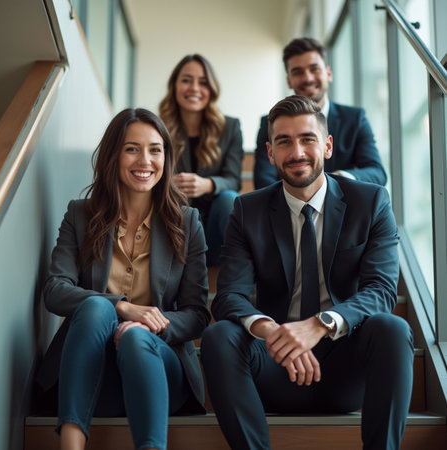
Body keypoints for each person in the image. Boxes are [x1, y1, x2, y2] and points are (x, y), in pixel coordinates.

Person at [201, 95, 414, 450]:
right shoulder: (247, 210)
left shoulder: (371, 201)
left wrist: (318, 325)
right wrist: (274, 333)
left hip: (347, 369)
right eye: (284, 141)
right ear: (269, 154)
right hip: (276, 367)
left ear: (327, 146)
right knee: (219, 335)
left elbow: (381, 290)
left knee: (393, 327)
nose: (296, 151)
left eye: (307, 139)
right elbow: (229, 297)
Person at [35, 108, 211, 450]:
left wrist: (150, 326)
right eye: (132, 148)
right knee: (97, 308)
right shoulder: (80, 215)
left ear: (166, 157)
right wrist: (125, 308)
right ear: (112, 155)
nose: (144, 160)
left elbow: (196, 314)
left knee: (134, 339)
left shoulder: (188, 223)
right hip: (91, 372)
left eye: (155, 149)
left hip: (156, 370)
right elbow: (55, 291)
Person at [254, 37, 387, 189]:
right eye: (298, 72)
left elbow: (377, 173)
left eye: (314, 69)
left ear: (328, 74)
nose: (308, 78)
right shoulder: (271, 123)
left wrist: (339, 178)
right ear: (289, 81)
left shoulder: (355, 119)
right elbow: (263, 180)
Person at [159, 54, 244, 266]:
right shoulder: (157, 128)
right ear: (174, 85)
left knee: (229, 198)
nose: (194, 88)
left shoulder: (230, 127)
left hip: (214, 234)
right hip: (172, 232)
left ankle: (242, 274)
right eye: (186, 80)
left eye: (203, 82)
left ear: (211, 89)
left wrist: (207, 184)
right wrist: (168, 184)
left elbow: (234, 180)